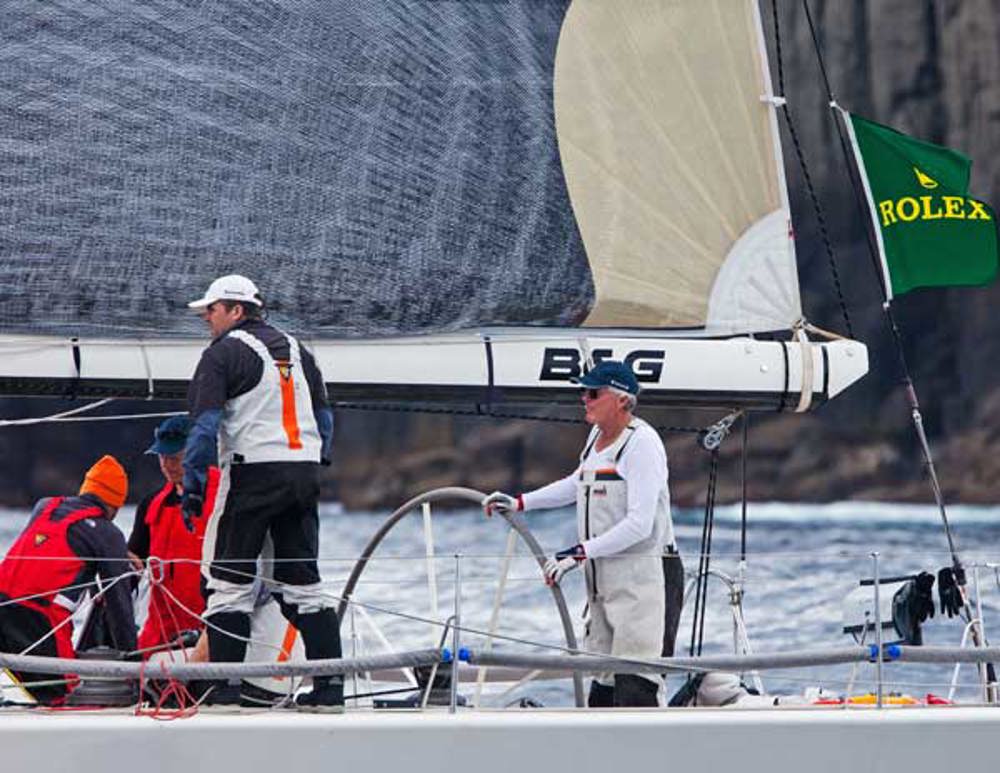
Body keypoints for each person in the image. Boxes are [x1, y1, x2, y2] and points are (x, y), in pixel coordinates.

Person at [182, 274, 342, 710]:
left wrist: (192, 488)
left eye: (210, 311)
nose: (206, 320)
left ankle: (224, 692)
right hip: (304, 474)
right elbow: (324, 421)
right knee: (304, 588)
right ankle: (330, 692)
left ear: (236, 310)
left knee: (226, 586)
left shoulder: (222, 354)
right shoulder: (300, 350)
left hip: (251, 474)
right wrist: (317, 462)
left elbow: (204, 427)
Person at [483, 360, 682, 708]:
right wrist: (519, 502)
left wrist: (576, 554)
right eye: (582, 392)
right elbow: (577, 483)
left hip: (648, 580)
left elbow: (640, 525)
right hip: (603, 580)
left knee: (638, 683)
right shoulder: (595, 438)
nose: (584, 399)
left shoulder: (642, 444)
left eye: (593, 393)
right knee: (602, 685)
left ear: (622, 400)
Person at [0, 455, 136, 704]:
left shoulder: (46, 505)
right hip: (39, 622)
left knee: (37, 691)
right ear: (115, 507)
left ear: (86, 489)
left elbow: (56, 544)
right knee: (68, 700)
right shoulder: (108, 535)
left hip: (3, 606)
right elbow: (119, 607)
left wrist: (116, 552)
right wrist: (134, 666)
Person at [127, 415, 220, 653]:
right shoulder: (151, 505)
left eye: (175, 458)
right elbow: (134, 558)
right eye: (162, 457)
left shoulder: (225, 497)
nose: (167, 465)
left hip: (210, 629)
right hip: (159, 631)